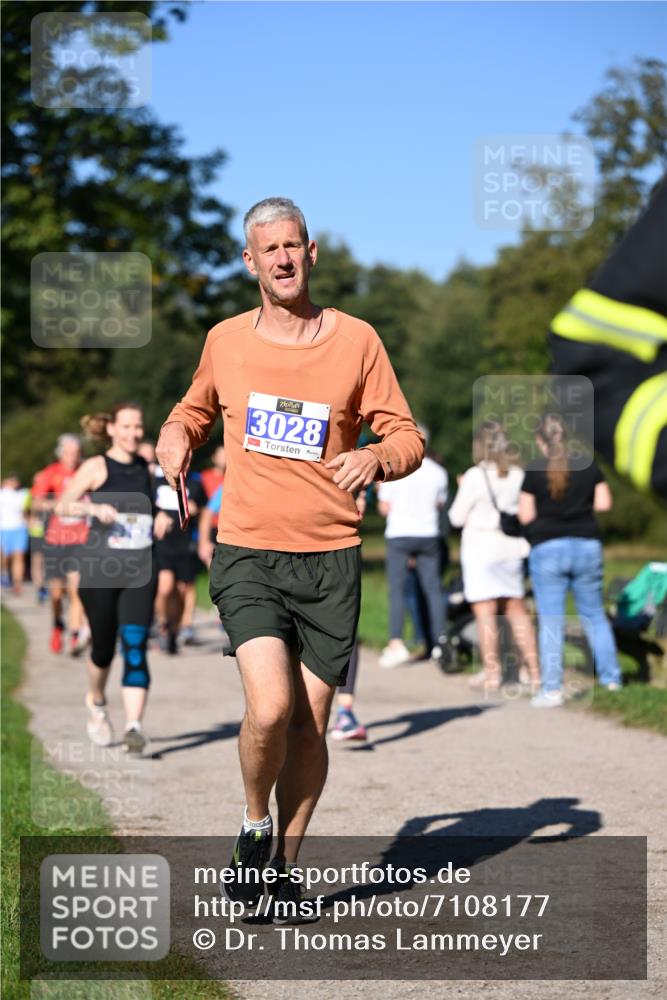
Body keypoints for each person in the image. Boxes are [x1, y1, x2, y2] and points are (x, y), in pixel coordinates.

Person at [156, 196, 423, 915]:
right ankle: (253, 823)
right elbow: (193, 410)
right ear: (250, 261)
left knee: (309, 726)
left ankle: (282, 868)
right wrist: (175, 436)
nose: (282, 258)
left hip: (330, 556)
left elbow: (407, 435)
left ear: (312, 252)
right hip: (248, 550)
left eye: (292, 245)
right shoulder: (225, 340)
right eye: (268, 248)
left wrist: (376, 457)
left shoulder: (357, 340)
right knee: (271, 709)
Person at [56, 404, 172, 752]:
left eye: (138, 426)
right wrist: (91, 508)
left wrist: (163, 516)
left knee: (135, 643)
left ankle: (134, 727)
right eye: (126, 426)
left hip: (140, 569)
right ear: (111, 429)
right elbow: (62, 505)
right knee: (104, 648)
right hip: (100, 570)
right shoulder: (96, 466)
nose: (133, 433)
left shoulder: (148, 468)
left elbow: (160, 505)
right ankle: (96, 700)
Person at [519, 413, 622, 707]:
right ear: (564, 436)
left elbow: (525, 515)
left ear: (540, 440)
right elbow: (604, 503)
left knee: (551, 620)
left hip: (548, 548)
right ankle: (612, 680)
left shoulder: (534, 470)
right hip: (587, 545)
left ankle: (552, 690)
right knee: (595, 615)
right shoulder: (588, 464)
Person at [448, 421, 540, 693]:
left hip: (481, 548)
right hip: (511, 547)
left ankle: (493, 673)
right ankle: (534, 672)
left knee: (485, 613)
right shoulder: (518, 475)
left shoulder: (475, 476)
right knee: (516, 610)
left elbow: (456, 517)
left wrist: (462, 486)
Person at [376, 426, 448, 667]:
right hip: (428, 534)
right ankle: (439, 643)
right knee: (433, 589)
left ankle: (396, 642)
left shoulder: (395, 468)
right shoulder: (438, 472)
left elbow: (384, 509)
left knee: (396, 590)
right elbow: (439, 505)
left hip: (399, 534)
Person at [31, 434, 88, 654]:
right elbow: (36, 503)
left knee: (76, 589)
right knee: (56, 593)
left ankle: (75, 634)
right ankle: (57, 624)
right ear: (61, 453)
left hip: (81, 539)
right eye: (69, 453)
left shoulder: (86, 471)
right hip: (56, 539)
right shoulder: (51, 472)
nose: (73, 457)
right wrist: (60, 504)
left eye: (76, 453)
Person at [153, 464, 206, 652]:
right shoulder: (156, 480)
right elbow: (146, 505)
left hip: (185, 544)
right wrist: (157, 514)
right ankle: (162, 624)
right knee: (165, 586)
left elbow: (204, 511)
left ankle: (175, 630)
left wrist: (197, 511)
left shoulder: (195, 483)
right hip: (163, 543)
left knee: (183, 590)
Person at [0, 474, 29, 594]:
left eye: (15, 480)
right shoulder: (2, 494)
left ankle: (17, 583)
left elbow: (26, 510)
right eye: (11, 480)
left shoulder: (23, 494)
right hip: (3, 529)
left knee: (19, 556)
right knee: (4, 557)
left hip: (19, 528)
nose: (13, 483)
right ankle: (4, 575)